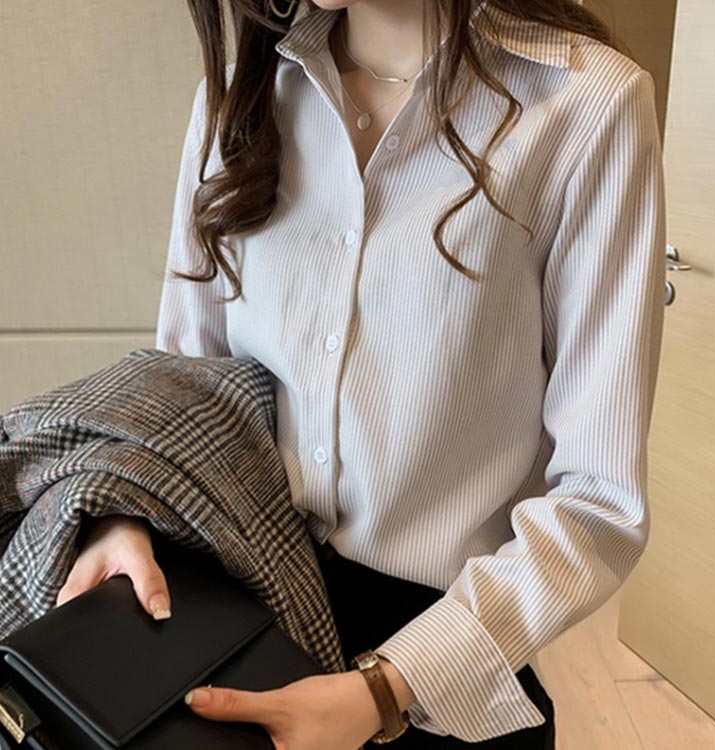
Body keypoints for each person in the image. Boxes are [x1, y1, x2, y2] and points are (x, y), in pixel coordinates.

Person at [56, 0, 666, 748]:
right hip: (227, 626)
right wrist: (127, 516)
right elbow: (184, 396)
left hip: (438, 664)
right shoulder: (237, 97)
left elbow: (599, 502)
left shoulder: (586, 105)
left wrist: (384, 688)